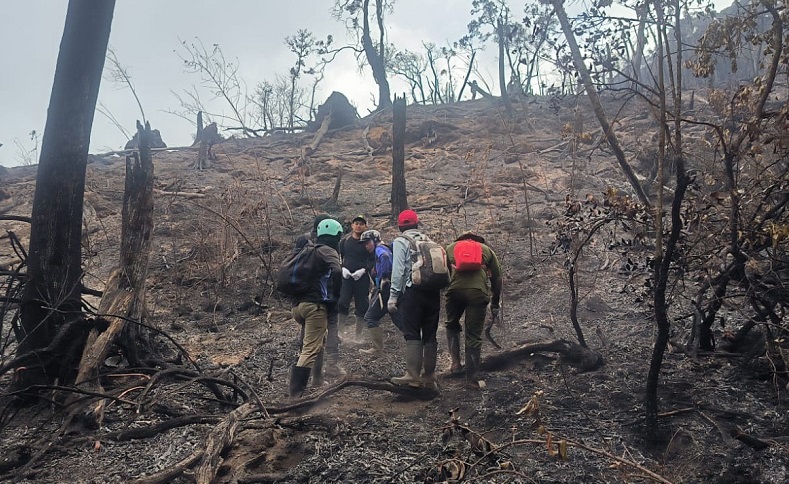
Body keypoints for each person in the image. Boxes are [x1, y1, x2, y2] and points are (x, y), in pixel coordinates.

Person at [288, 218, 343, 397]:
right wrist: (336, 295)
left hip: (297, 307)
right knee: (310, 349)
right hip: (315, 307)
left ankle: (318, 380)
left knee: (317, 342)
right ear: (337, 235)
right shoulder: (328, 251)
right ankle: (295, 396)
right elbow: (336, 271)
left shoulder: (306, 251)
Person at [387, 209, 441, 390]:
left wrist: (393, 297)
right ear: (417, 224)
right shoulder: (429, 240)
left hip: (413, 292)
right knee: (430, 334)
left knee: (412, 332)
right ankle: (429, 376)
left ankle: (413, 375)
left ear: (400, 226)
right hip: (433, 292)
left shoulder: (401, 241)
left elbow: (398, 270)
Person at [444, 232, 502, 390]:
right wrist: (495, 303)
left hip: (454, 292)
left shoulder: (449, 248)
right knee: (473, 336)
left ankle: (456, 364)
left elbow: (442, 273)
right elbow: (497, 278)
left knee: (451, 324)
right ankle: (472, 380)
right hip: (477, 293)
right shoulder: (486, 250)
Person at [358, 229, 397, 354]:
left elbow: (385, 258)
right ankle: (414, 339)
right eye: (364, 243)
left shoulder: (380, 249)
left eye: (367, 242)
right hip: (388, 288)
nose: (366, 245)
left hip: (385, 289)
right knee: (398, 318)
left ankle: (377, 348)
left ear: (375, 241)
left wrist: (384, 277)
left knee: (370, 317)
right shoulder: (379, 250)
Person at [338, 214, 374, 343]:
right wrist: (342, 268)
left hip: (362, 278)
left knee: (362, 305)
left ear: (365, 226)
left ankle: (358, 335)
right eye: (356, 223)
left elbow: (372, 260)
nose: (358, 226)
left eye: (361, 224)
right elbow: (339, 257)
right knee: (342, 302)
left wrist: (364, 270)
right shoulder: (345, 241)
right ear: (352, 225)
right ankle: (339, 332)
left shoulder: (368, 243)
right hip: (346, 277)